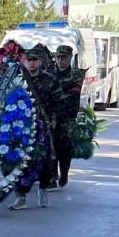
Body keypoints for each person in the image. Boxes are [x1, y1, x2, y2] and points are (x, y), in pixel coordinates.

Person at [10, 47, 63, 210]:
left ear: (40, 61)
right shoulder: (18, 80)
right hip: (22, 127)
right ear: (23, 61)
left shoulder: (50, 80)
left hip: (43, 126)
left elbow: (59, 103)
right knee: (20, 160)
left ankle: (43, 188)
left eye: (35, 60)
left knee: (44, 160)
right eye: (28, 60)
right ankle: (21, 196)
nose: (31, 63)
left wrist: (54, 119)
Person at [52, 44, 82, 186]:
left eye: (64, 57)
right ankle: (52, 176)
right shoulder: (50, 73)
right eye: (58, 57)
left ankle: (64, 173)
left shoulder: (76, 74)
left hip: (67, 117)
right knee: (50, 146)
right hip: (51, 116)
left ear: (70, 58)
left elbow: (72, 96)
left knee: (65, 148)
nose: (60, 60)